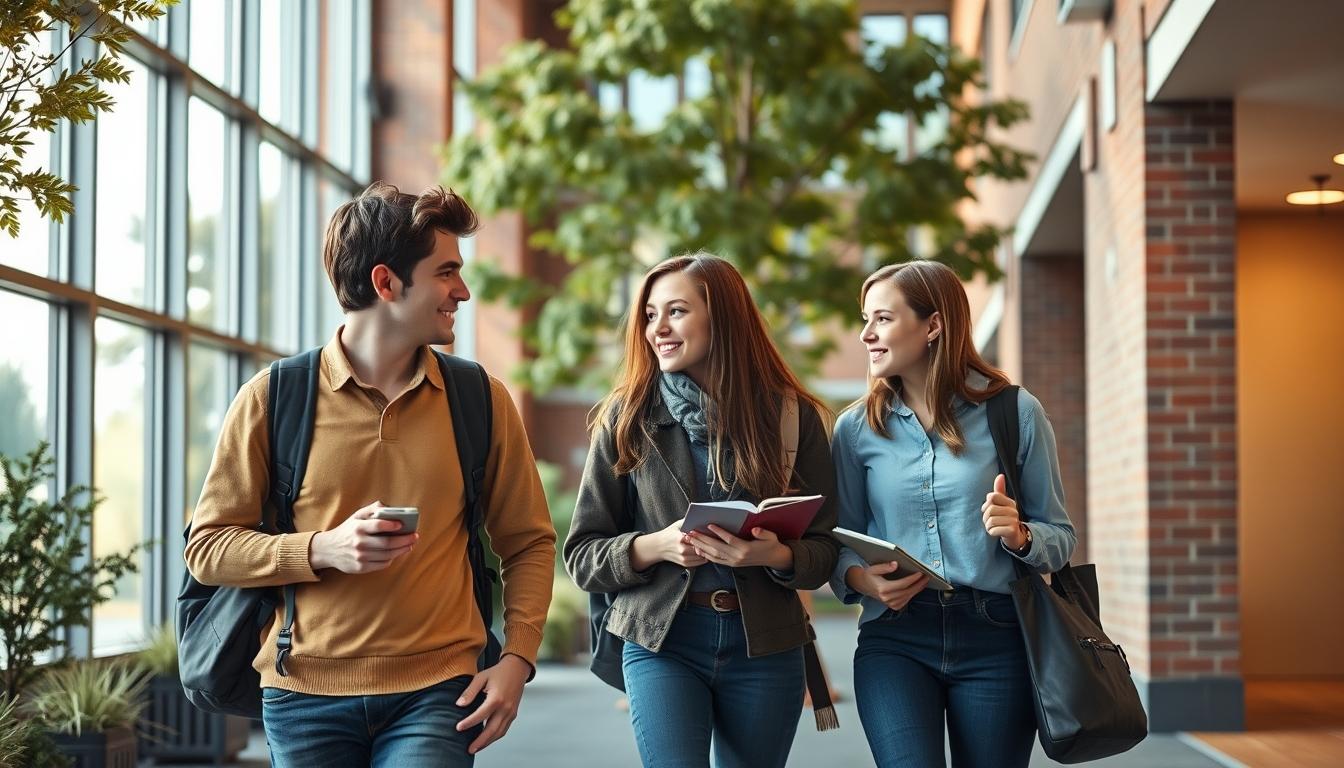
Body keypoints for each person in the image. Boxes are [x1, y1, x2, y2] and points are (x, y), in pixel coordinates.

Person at [184, 182, 556, 768]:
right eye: (446, 272)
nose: (461, 291)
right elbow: (208, 550)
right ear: (386, 283)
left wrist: (517, 660)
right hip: (302, 693)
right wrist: (322, 549)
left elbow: (529, 540)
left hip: (439, 689)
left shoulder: (479, 399)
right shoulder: (273, 398)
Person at [565, 253, 840, 768]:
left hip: (766, 645)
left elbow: (826, 549)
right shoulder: (626, 418)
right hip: (662, 641)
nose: (657, 329)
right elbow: (582, 555)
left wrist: (776, 555)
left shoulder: (790, 416)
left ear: (722, 316)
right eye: (649, 314)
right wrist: (656, 546)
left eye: (675, 312)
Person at [829, 260, 1077, 768]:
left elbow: (1061, 536)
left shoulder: (1015, 412)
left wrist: (1022, 535)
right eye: (865, 318)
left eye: (882, 319)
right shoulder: (855, 429)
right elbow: (837, 540)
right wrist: (861, 579)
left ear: (933, 325)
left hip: (997, 634)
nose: (866, 334)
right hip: (895, 635)